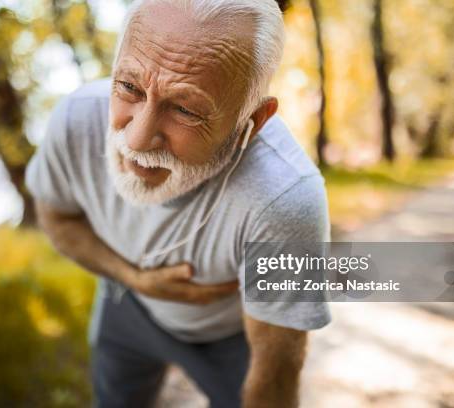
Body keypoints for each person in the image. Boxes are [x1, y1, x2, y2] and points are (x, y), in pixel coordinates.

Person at [25, 0, 331, 406]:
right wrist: (132, 278)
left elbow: (277, 368)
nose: (135, 141)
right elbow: (58, 218)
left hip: (229, 336)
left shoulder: (284, 199)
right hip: (126, 306)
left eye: (185, 109)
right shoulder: (75, 120)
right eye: (129, 86)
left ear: (253, 121)